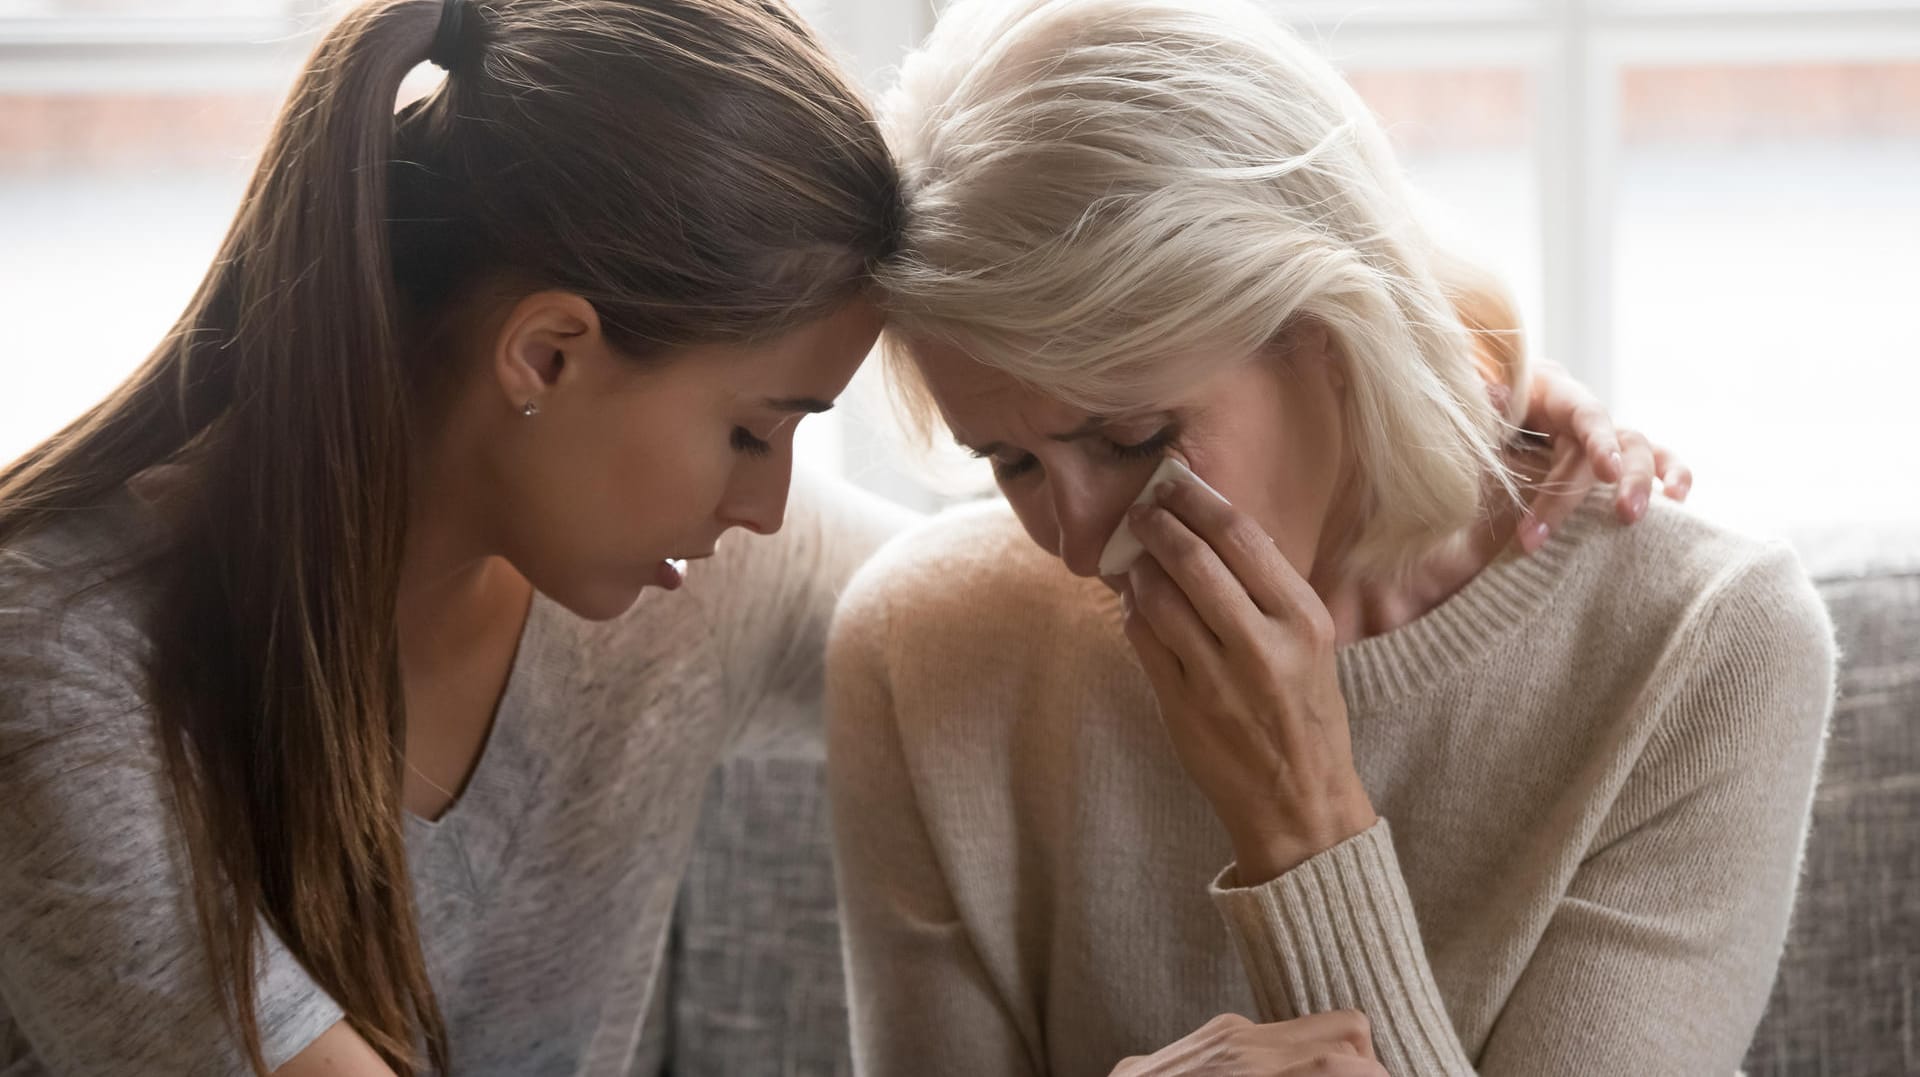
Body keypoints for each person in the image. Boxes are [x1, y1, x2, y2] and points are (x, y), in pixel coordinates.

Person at [0, 0, 1673, 1074]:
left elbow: (1019, 615)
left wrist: (1417, 382)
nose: (771, 506)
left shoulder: (687, 570)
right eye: (756, 428)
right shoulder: (55, 665)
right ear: (548, 354)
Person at [827, 1, 1833, 1074]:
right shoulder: (920, 647)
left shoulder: (1708, 651)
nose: (1077, 545)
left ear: (1327, 330)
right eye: (1010, 463)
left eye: (1132, 439)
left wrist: (1302, 829)